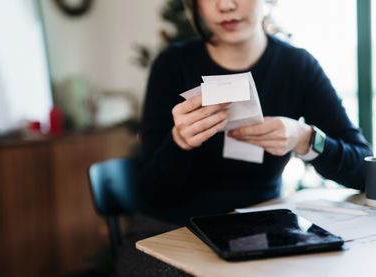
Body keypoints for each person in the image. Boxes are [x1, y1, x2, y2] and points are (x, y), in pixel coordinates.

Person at [115, 1, 372, 275]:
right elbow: (150, 192)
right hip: (170, 228)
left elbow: (365, 174)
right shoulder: (172, 65)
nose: (226, 5)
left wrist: (306, 139)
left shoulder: (297, 66)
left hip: (259, 226)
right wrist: (178, 143)